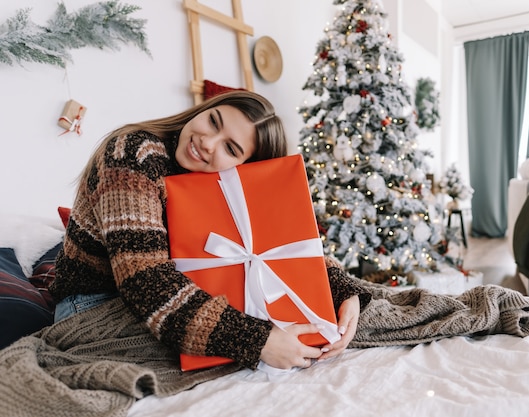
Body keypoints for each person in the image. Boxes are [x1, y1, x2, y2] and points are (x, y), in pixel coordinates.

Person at [49, 90, 370, 371]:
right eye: (213, 122)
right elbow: (145, 281)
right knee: (218, 353)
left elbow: (283, 246)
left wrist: (342, 291)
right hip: (94, 304)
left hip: (177, 287)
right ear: (203, 109)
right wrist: (258, 341)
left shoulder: (225, 183)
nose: (207, 142)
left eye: (231, 149)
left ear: (246, 166)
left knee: (330, 322)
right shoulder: (132, 153)